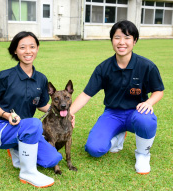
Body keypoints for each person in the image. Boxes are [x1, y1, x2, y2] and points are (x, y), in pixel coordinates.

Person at [70, 20, 164, 174]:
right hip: (113, 114)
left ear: (134, 41)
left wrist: (149, 102)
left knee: (146, 119)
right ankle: (117, 137)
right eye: (117, 37)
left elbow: (158, 91)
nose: (122, 42)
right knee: (94, 149)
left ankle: (142, 154)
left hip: (137, 113)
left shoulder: (146, 66)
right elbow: (86, 94)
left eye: (127, 38)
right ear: (112, 40)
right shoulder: (103, 68)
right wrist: (70, 113)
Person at [0, 31, 63, 188]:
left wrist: (63, 114)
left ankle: (17, 148)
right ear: (15, 50)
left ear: (37, 48)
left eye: (32, 47)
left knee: (52, 159)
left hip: (27, 129)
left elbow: (41, 104)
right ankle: (27, 173)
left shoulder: (41, 78)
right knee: (34, 123)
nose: (28, 51)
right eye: (22, 47)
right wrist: (7, 115)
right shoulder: (5, 76)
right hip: (2, 128)